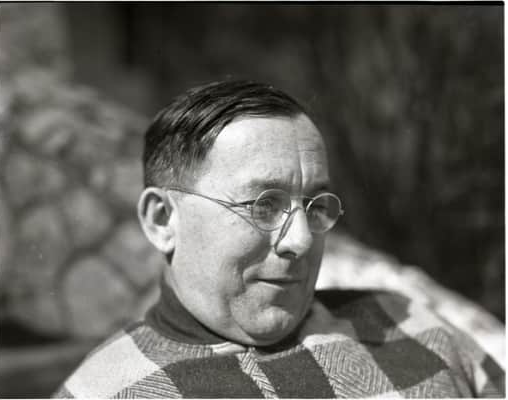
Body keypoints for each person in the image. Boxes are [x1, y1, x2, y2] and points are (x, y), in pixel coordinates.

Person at [54, 80, 504, 398]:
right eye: (263, 204)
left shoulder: (412, 326)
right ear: (162, 219)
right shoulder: (104, 391)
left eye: (315, 204)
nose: (302, 240)